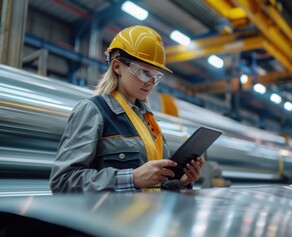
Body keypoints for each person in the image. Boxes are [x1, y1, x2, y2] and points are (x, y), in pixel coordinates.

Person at [50, 25, 204, 193]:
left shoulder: (148, 121)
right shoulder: (93, 111)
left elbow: (151, 188)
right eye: (144, 72)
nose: (150, 82)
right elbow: (63, 181)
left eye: (156, 76)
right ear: (117, 67)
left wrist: (181, 182)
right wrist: (132, 178)